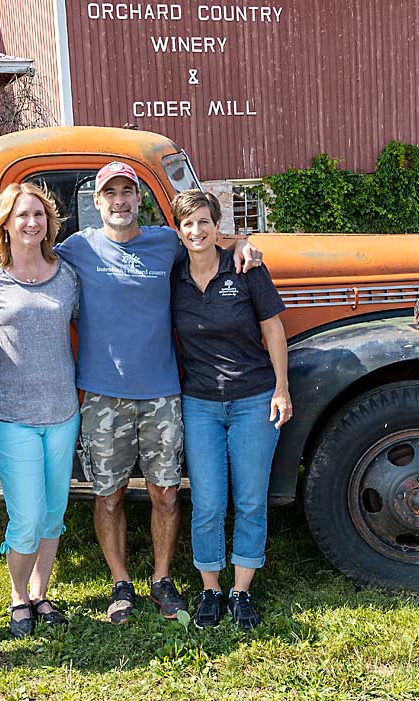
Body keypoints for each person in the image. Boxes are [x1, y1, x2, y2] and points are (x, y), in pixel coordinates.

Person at [53, 162, 264, 624]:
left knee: (166, 492)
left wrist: (245, 243)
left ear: (139, 198)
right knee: (107, 495)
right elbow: (30, 257)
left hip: (163, 392)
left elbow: (207, 239)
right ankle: (120, 582)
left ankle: (162, 579)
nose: (120, 200)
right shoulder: (77, 248)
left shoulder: (165, 242)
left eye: (127, 191)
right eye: (110, 193)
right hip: (103, 394)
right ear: (97, 201)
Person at [168, 190, 292, 631]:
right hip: (199, 402)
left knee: (250, 499)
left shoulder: (245, 268)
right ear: (178, 231)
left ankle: (241, 591)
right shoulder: (173, 275)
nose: (197, 232)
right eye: (188, 225)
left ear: (217, 226)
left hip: (253, 397)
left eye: (204, 222)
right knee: (207, 501)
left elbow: (273, 329)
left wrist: (281, 388)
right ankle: (210, 588)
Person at [0, 183, 80, 639]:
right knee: (27, 517)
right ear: (6, 224)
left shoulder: (66, 275)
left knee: (53, 514)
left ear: (48, 222)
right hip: (11, 416)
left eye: (38, 215)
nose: (31, 223)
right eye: (21, 215)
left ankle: (40, 592)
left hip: (63, 413)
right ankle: (17, 595)